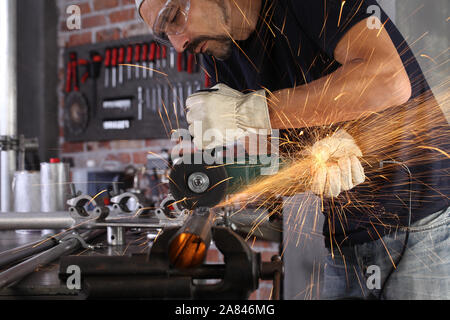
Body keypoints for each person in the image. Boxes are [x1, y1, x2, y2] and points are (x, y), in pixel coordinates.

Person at [136, 0, 449, 299]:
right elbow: (268, 159)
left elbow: (390, 79)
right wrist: (253, 175)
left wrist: (252, 112)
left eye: (174, 17)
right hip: (347, 232)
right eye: (165, 36)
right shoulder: (218, 48)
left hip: (422, 217)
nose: (178, 44)